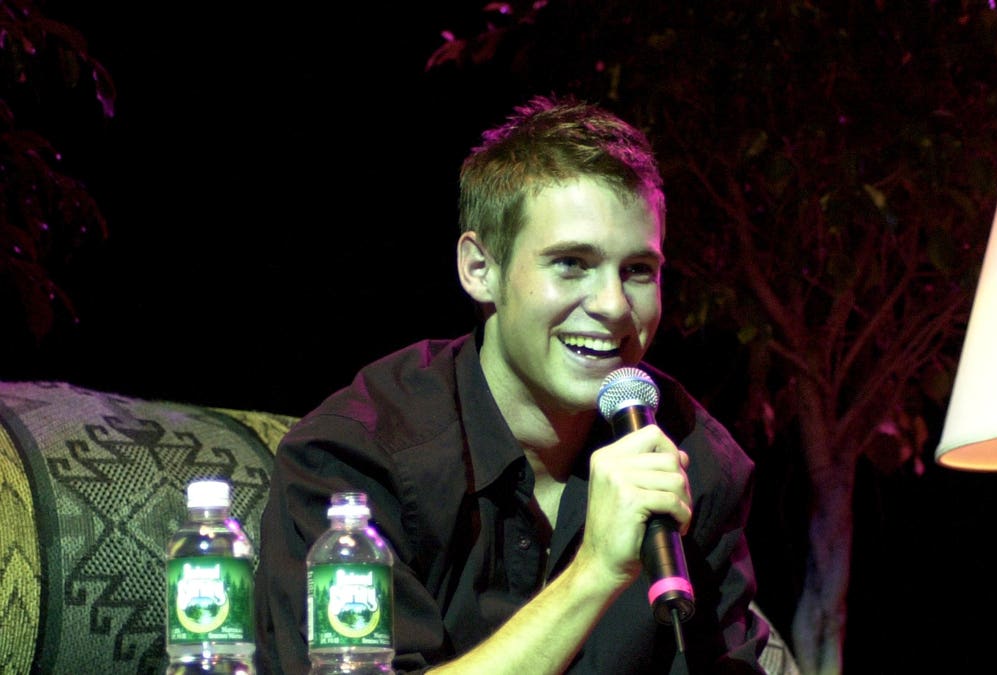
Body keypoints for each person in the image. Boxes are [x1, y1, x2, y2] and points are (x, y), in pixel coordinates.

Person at [254, 94, 770, 674]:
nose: (614, 306)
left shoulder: (693, 458)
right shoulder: (354, 460)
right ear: (480, 269)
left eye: (638, 271)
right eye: (571, 262)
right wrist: (594, 574)